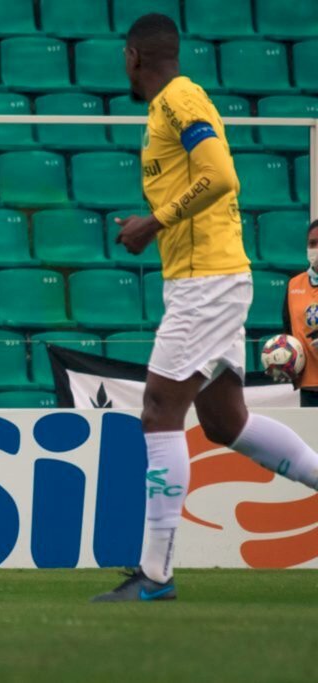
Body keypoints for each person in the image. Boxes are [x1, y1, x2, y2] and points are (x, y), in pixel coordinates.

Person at [95, 13, 318, 602]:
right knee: (225, 422)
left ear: (132, 57)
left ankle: (155, 575)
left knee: (158, 412)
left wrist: (154, 221)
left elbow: (220, 175)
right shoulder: (168, 106)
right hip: (209, 278)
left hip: (206, 282)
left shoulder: (178, 98)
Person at [280, 219, 318, 407]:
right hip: (309, 389)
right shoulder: (294, 284)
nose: (316, 248)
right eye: (312, 244)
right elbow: (288, 331)